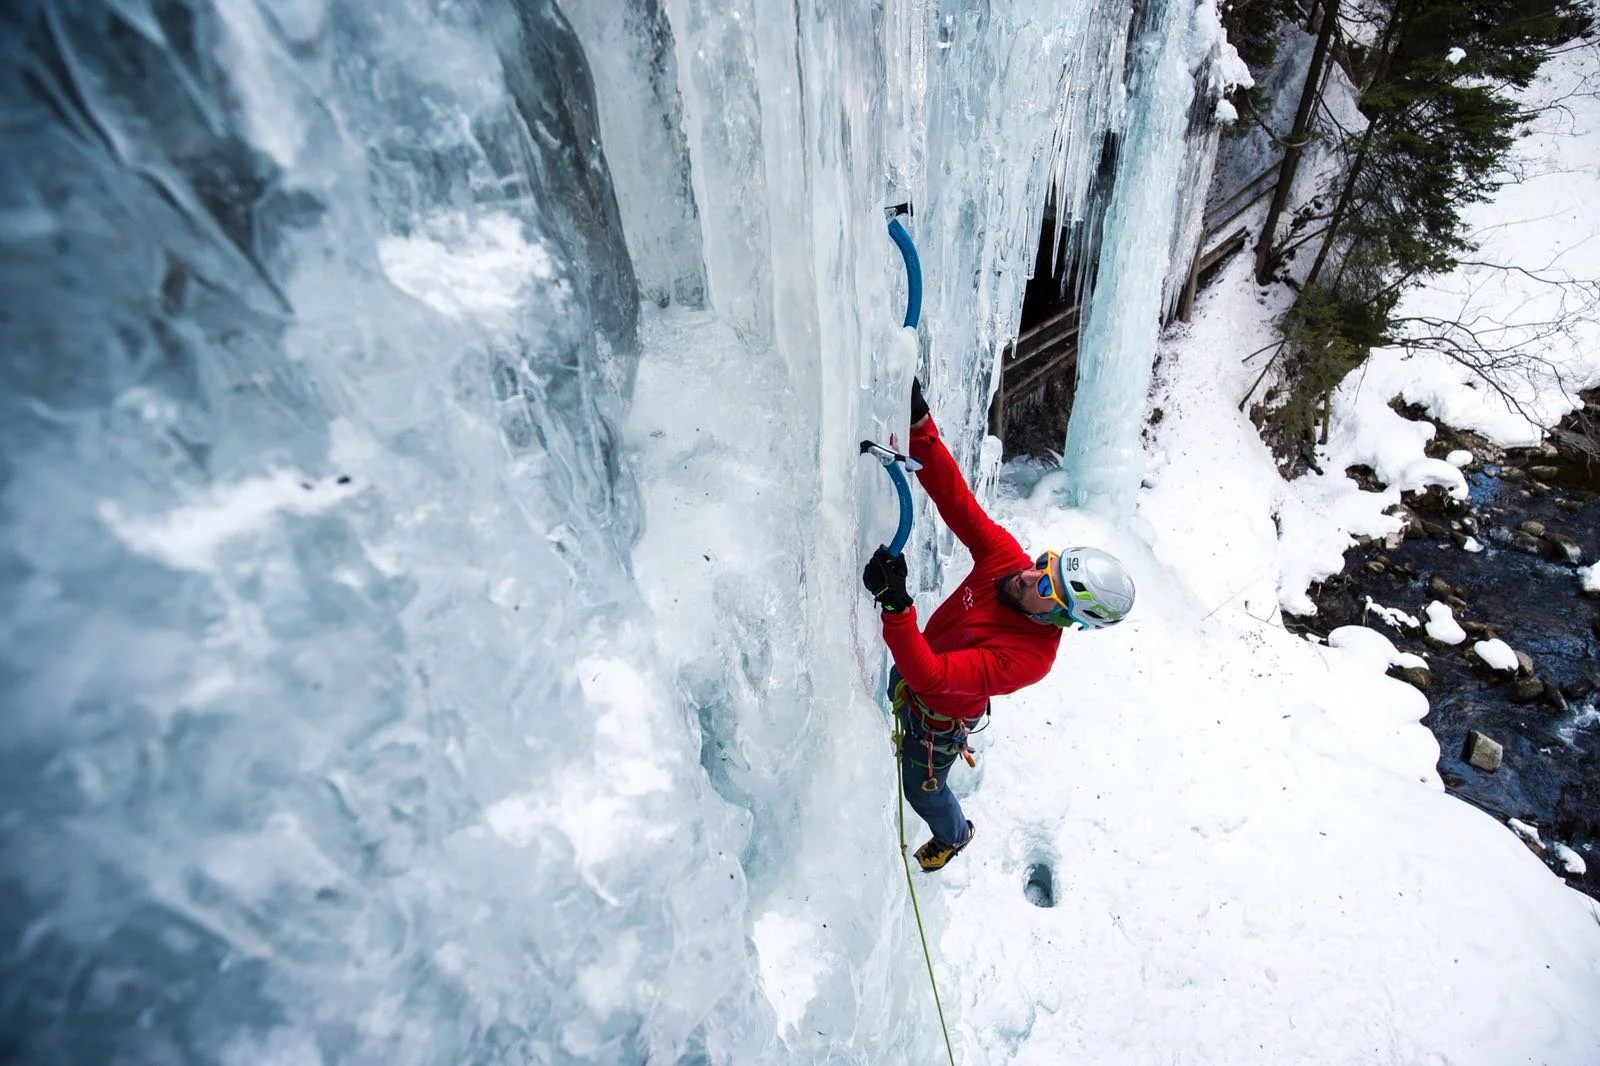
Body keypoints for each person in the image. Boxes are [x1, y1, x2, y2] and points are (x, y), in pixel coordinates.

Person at [862, 379, 1136, 871]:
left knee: (921, 789)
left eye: (1048, 588)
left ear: (1059, 617)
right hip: (917, 669)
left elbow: (935, 678)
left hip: (937, 720)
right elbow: (955, 501)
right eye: (1047, 562)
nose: (1032, 574)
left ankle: (954, 833)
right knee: (897, 684)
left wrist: (897, 605)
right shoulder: (1008, 563)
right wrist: (920, 425)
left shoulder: (1029, 659)